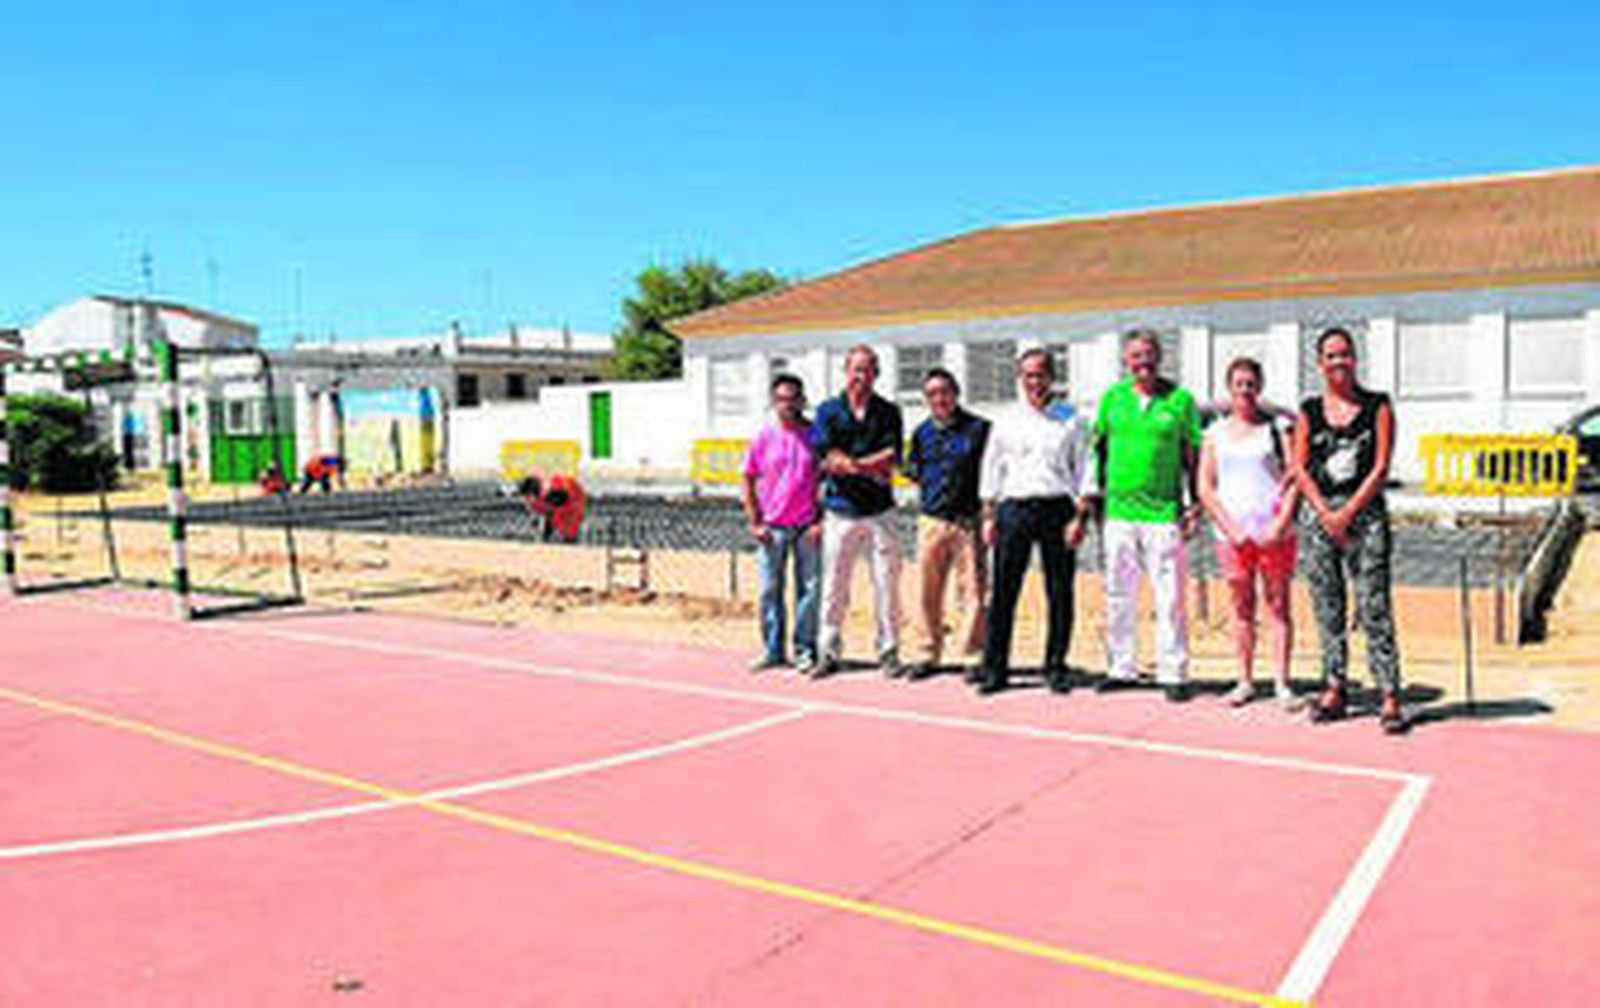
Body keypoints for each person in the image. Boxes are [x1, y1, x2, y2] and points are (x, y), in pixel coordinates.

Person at [1292, 327, 1406, 733]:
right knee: (1327, 605)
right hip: (1320, 515)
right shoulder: (1309, 410)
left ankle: (1389, 692)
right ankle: (1335, 685)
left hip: (1366, 512)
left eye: (1345, 354)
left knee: (1374, 604)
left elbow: (1380, 466)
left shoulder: (1377, 406)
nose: (1338, 362)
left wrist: (1350, 512)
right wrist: (1325, 512)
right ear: (1320, 363)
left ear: (1355, 359)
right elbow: (1300, 468)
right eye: (1330, 356)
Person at [1085, 329, 1204, 703]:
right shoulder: (1112, 399)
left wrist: (1194, 504)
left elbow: (1193, 457)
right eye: (1135, 356)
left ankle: (1174, 672)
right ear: (1126, 360)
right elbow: (1097, 451)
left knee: (1170, 597)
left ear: (1160, 357)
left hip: (1163, 514)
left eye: (1149, 355)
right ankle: (1121, 667)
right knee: (1119, 594)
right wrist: (1092, 502)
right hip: (1118, 513)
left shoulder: (1181, 401)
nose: (1143, 362)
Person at [974, 348, 1092, 696]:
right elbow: (991, 469)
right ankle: (996, 669)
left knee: (1059, 592)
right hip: (1015, 510)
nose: (1035, 382)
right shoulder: (1005, 420)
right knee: (1004, 594)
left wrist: (1080, 518)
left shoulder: (1072, 419)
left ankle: (1055, 666)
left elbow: (1085, 471)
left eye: (1041, 375)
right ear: (1020, 379)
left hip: (1058, 510)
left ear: (1052, 378)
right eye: (1028, 375)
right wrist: (988, 516)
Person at [1197, 357, 1300, 709]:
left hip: (1275, 535)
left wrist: (1280, 524)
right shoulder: (1213, 434)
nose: (1245, 390)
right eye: (1239, 384)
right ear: (1230, 388)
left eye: (1251, 383)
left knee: (1278, 606)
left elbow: (1293, 480)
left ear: (1260, 386)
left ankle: (1282, 683)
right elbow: (1206, 487)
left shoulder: (1276, 430)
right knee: (1242, 608)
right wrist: (1231, 529)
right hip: (1233, 537)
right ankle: (1244, 681)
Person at [812, 345, 905, 678]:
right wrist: (867, 467)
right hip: (840, 512)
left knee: (887, 585)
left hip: (881, 512)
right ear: (846, 371)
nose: (861, 376)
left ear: (876, 374)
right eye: (856, 369)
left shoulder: (889, 412)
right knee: (834, 585)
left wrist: (848, 465)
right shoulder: (827, 411)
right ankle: (828, 650)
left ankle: (889, 650)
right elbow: (825, 459)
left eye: (867, 370)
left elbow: (891, 456)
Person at [904, 367, 990, 681]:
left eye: (944, 392)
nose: (939, 398)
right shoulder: (921, 433)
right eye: (932, 394)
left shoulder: (980, 429)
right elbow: (914, 471)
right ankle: (927, 653)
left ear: (956, 393)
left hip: (969, 522)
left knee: (974, 592)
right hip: (932, 521)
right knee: (927, 591)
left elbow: (992, 472)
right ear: (926, 399)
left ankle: (972, 656)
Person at [741, 373, 823, 674]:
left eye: (793, 398)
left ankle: (805, 650)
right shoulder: (763, 437)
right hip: (772, 529)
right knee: (769, 591)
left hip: (807, 528)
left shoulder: (816, 436)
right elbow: (747, 479)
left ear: (802, 400)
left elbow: (828, 481)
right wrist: (755, 522)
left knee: (810, 592)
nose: (787, 404)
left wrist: (821, 521)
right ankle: (773, 650)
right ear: (774, 403)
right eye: (781, 399)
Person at [517, 471, 588, 543]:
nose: (525, 501)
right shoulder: (537, 502)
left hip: (572, 503)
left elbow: (563, 495)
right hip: (564, 505)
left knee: (564, 526)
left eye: (527, 497)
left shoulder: (554, 488)